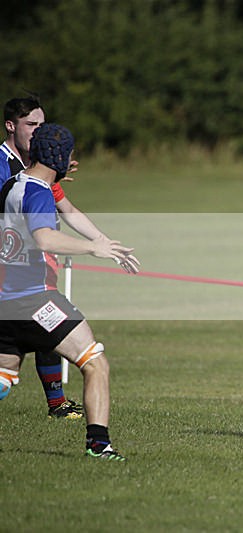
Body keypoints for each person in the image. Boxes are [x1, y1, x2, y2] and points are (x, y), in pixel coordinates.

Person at [0, 123, 135, 460]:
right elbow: (45, 238)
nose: (72, 161)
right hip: (35, 300)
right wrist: (92, 249)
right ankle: (99, 445)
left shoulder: (11, 186)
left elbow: (68, 211)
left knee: (3, 378)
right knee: (95, 363)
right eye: (70, 154)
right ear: (58, 156)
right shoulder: (38, 192)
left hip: (5, 303)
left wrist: (105, 242)